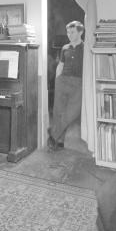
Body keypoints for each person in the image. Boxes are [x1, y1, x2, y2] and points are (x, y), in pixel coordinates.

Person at [48, 21, 84, 151]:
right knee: (59, 112)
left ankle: (53, 134)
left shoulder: (84, 48)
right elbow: (60, 65)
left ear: (80, 32)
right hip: (62, 81)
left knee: (72, 113)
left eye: (72, 32)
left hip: (78, 83)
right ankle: (60, 141)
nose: (69, 35)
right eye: (68, 32)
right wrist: (57, 80)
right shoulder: (65, 48)